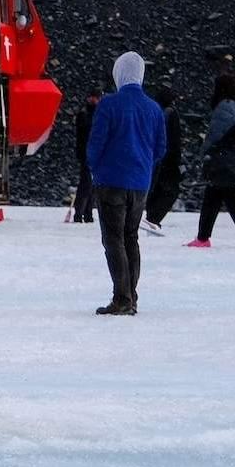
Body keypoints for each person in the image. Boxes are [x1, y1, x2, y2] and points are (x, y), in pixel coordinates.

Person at [84, 51, 168, 314]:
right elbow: (160, 148)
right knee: (131, 237)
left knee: (113, 239)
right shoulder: (154, 108)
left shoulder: (109, 104)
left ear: (118, 73)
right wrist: (143, 166)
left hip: (111, 181)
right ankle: (131, 295)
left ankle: (122, 298)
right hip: (140, 184)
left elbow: (95, 146)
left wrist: (95, 168)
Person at [187, 73, 235, 249]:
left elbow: (214, 135)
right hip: (233, 161)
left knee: (223, 199)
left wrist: (203, 153)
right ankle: (205, 237)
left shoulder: (223, 108)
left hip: (221, 162)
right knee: (219, 198)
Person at [142, 89, 183, 235]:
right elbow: (172, 139)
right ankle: (153, 219)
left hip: (158, 157)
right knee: (169, 191)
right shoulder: (170, 113)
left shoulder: (156, 112)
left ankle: (152, 217)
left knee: (158, 188)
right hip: (169, 158)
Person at [72, 89, 100, 224]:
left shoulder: (95, 114)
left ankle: (87, 213)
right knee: (86, 184)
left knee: (92, 185)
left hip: (93, 154)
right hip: (87, 154)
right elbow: (84, 134)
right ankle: (80, 213)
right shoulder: (85, 114)